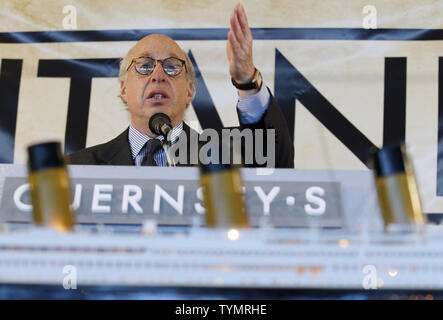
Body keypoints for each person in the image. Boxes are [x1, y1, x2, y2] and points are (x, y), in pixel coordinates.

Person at [68, 3, 294, 168]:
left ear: (189, 91)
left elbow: (276, 162)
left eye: (172, 67)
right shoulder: (78, 167)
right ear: (124, 88)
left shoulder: (224, 155)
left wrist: (247, 82)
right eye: (145, 66)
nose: (158, 75)